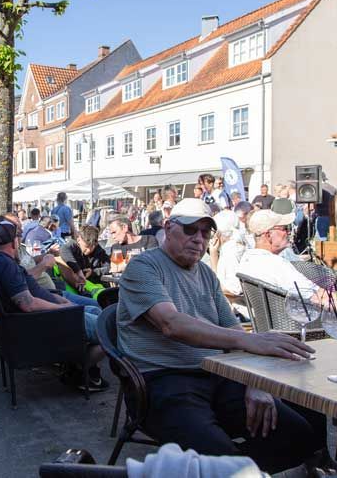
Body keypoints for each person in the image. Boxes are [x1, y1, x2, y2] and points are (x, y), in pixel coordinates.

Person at [116, 198, 321, 474]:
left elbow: (234, 331)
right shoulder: (144, 266)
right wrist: (250, 341)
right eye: (191, 230)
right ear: (168, 227)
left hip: (216, 375)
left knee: (298, 434)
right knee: (221, 457)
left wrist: (254, 380)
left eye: (205, 232)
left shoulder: (205, 274)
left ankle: (239, 469)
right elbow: (171, 324)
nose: (199, 239)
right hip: (162, 380)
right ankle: (231, 468)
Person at [0, 218, 108, 391]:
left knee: (94, 309)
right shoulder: (6, 265)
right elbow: (28, 304)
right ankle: (78, 370)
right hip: (48, 321)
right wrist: (63, 307)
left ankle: (79, 368)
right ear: (14, 243)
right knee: (110, 329)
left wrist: (59, 300)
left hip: (44, 317)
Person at [237, 210, 322, 300]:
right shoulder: (276, 264)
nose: (288, 232)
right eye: (284, 228)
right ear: (268, 235)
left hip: (267, 312)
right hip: (296, 312)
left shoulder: (247, 258)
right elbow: (315, 295)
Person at [208, 210, 246, 298]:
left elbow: (234, 290)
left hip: (235, 308)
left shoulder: (231, 252)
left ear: (218, 233)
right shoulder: (231, 247)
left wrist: (213, 255)